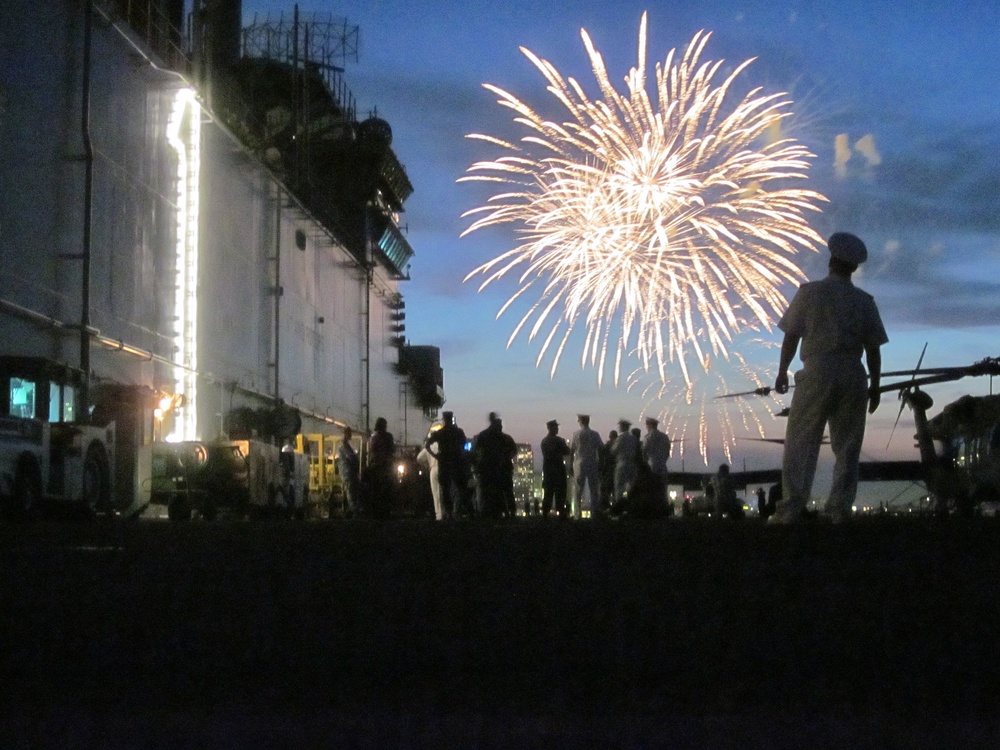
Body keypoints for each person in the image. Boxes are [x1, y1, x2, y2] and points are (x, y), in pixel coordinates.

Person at [773, 232, 888, 523]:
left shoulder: (809, 292)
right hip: (853, 372)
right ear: (854, 268)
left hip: (817, 369)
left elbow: (791, 337)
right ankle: (839, 509)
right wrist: (875, 386)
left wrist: (782, 370)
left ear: (830, 261)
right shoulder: (864, 301)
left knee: (801, 441)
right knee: (848, 444)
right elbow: (873, 349)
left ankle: (792, 507)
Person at [425, 411, 472, 519]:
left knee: (445, 489)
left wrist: (436, 456)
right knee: (461, 488)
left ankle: (449, 512)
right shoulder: (459, 432)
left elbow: (427, 445)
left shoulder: (440, 433)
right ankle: (466, 510)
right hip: (456, 462)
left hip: (444, 462)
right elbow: (463, 443)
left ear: (444, 420)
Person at [472, 412, 518, 518]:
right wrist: (506, 458)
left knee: (493, 492)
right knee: (506, 491)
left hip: (490, 469)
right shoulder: (505, 438)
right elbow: (514, 451)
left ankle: (495, 511)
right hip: (500, 469)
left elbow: (475, 452)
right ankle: (509, 511)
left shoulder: (483, 436)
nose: (501, 427)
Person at [570, 414, 604, 518]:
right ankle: (595, 513)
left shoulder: (576, 434)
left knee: (578, 490)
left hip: (579, 463)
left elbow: (572, 450)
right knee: (594, 489)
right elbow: (601, 448)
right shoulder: (595, 434)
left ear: (581, 421)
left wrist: (570, 465)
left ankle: (577, 514)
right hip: (592, 462)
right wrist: (601, 463)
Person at [366, 417, 395, 518]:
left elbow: (372, 452)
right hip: (385, 468)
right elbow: (392, 450)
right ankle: (385, 512)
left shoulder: (374, 438)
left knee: (376, 490)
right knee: (386, 491)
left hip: (377, 468)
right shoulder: (388, 437)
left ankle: (376, 512)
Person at [540, 419, 570, 518]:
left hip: (548, 471)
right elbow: (567, 451)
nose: (557, 429)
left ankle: (545, 513)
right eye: (556, 427)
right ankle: (561, 512)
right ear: (551, 428)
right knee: (560, 493)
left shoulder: (544, 441)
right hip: (558, 470)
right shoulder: (559, 440)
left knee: (548, 493)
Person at [641, 416, 671, 513]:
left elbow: (643, 452)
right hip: (663, 465)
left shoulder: (648, 437)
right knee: (663, 489)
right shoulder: (665, 437)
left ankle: (653, 510)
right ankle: (664, 510)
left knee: (652, 489)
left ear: (649, 425)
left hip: (652, 466)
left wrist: (645, 464)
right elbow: (667, 452)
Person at [611, 419, 640, 504]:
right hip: (632, 464)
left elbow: (613, 450)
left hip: (622, 463)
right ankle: (632, 506)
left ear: (623, 427)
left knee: (619, 487)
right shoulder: (633, 438)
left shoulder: (620, 438)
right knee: (632, 487)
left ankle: (619, 507)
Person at [335, 426, 361, 517]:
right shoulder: (343, 445)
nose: (351, 435)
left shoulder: (345, 445)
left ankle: (352, 510)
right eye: (349, 433)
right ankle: (354, 511)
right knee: (351, 492)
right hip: (347, 472)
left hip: (349, 472)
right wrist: (357, 458)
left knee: (352, 491)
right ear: (345, 434)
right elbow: (351, 457)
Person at [599, 429, 618, 510]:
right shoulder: (617, 446)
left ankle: (605, 508)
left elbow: (602, 458)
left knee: (606, 491)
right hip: (614, 470)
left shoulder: (607, 446)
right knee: (614, 491)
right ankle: (615, 508)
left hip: (608, 471)